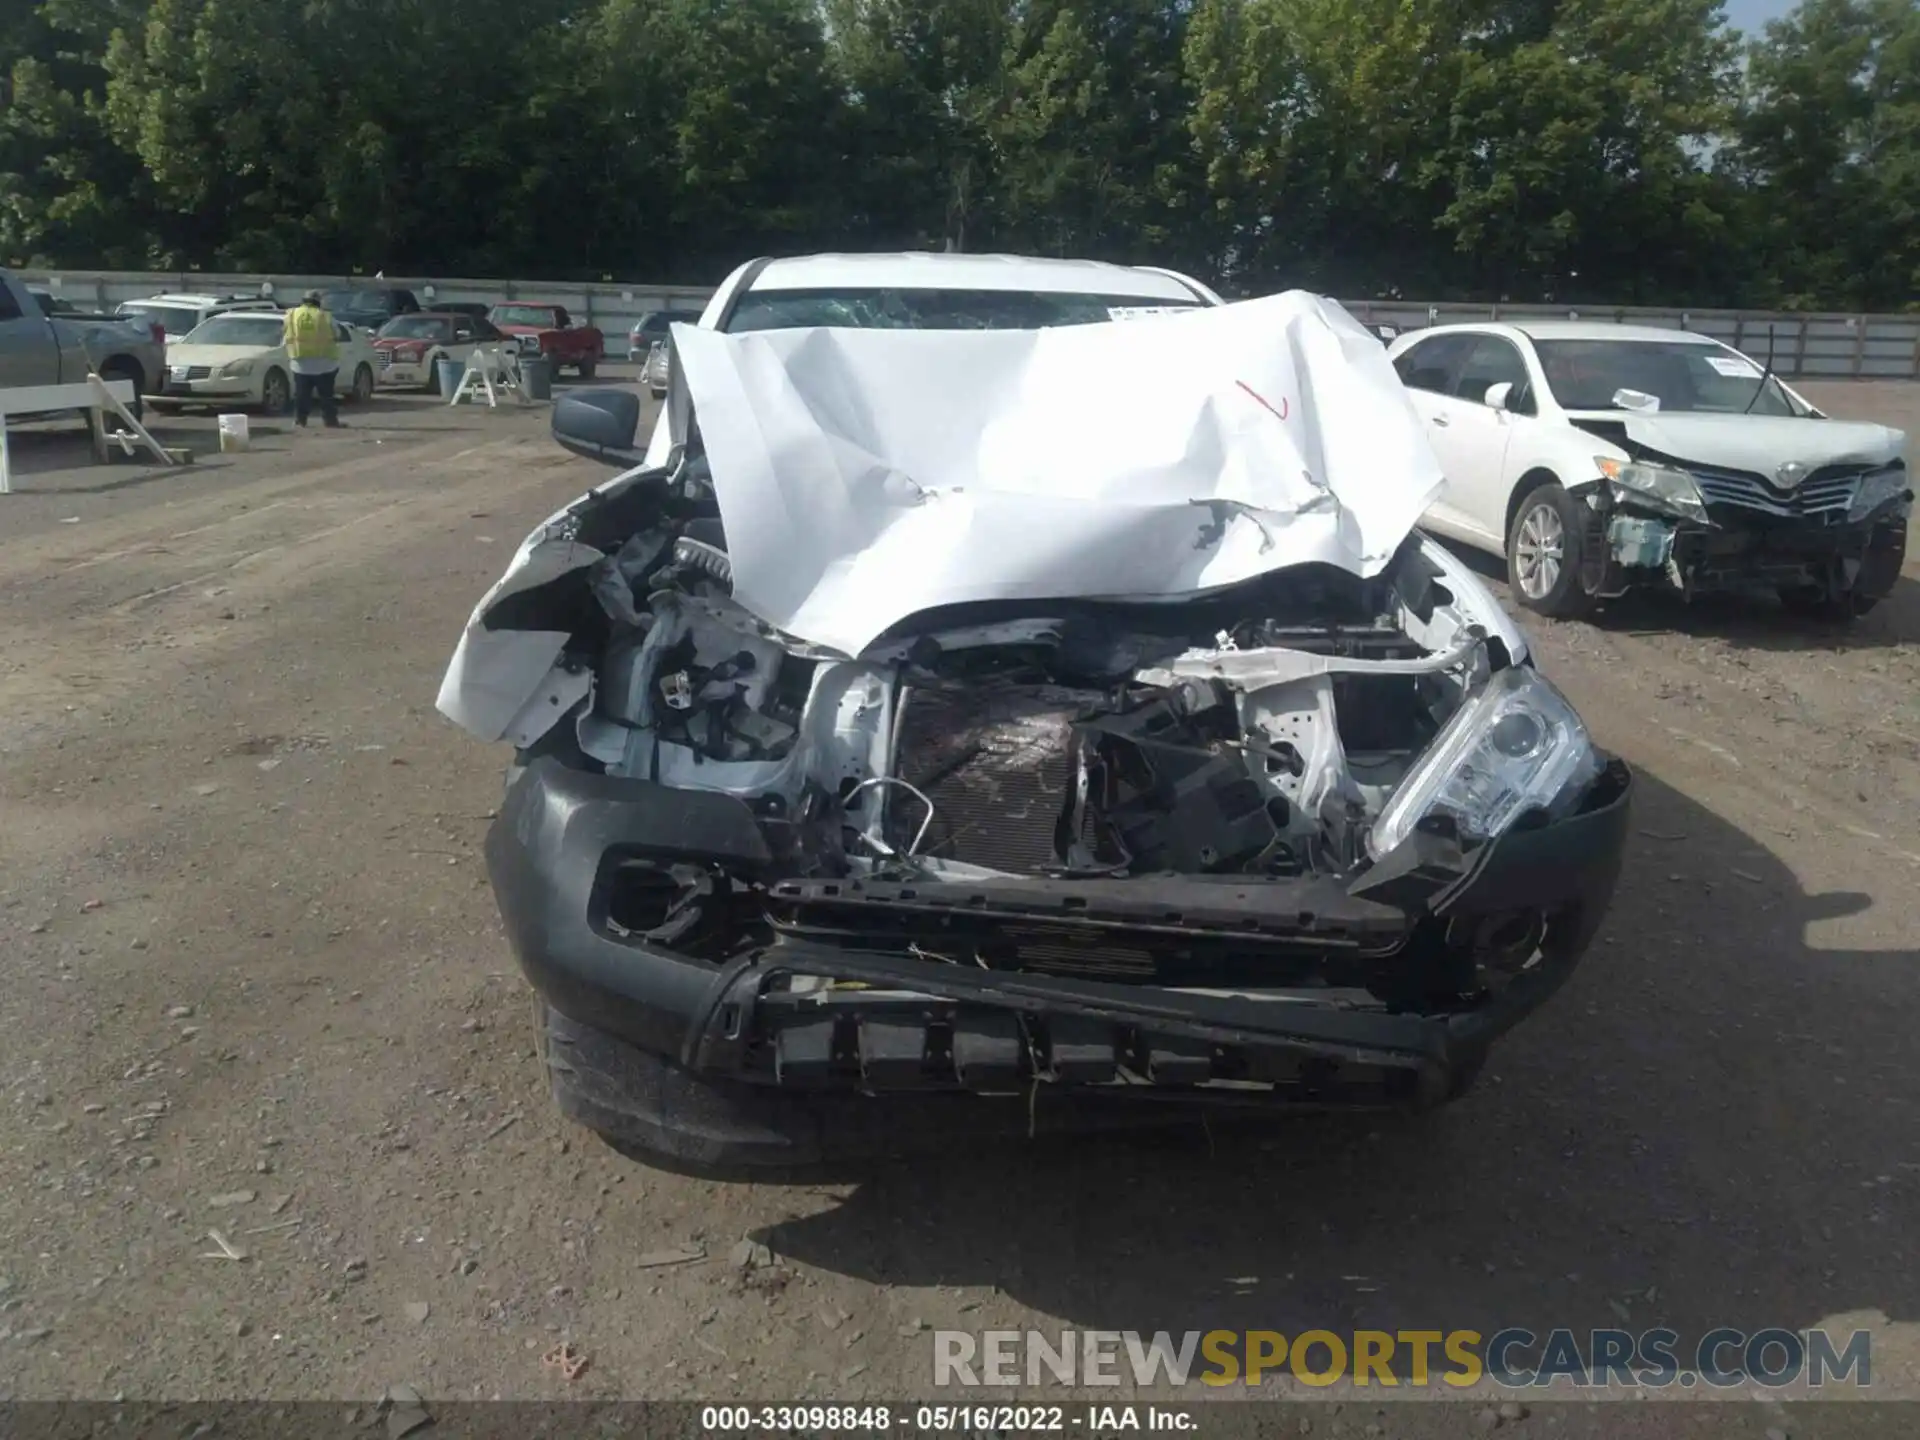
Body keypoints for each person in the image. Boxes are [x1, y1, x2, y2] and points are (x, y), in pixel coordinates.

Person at [282, 289, 343, 428]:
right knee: (327, 395)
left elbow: (284, 332)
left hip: (300, 362)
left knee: (301, 395)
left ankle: (300, 421)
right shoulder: (325, 316)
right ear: (318, 302)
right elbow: (337, 334)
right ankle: (330, 421)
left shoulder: (291, 315)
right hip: (325, 363)